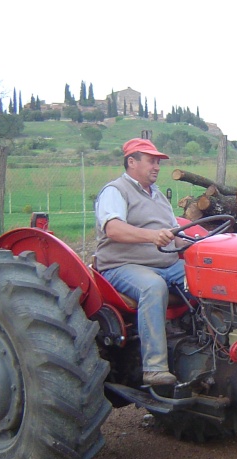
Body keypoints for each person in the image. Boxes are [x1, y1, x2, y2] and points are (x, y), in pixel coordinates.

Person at [94, 138, 184, 386]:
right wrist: (152, 236)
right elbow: (113, 229)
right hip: (121, 267)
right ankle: (154, 368)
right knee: (153, 287)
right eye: (151, 161)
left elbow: (176, 234)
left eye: (158, 162)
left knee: (205, 280)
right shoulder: (116, 191)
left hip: (166, 264)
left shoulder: (158, 196)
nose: (156, 166)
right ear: (131, 162)